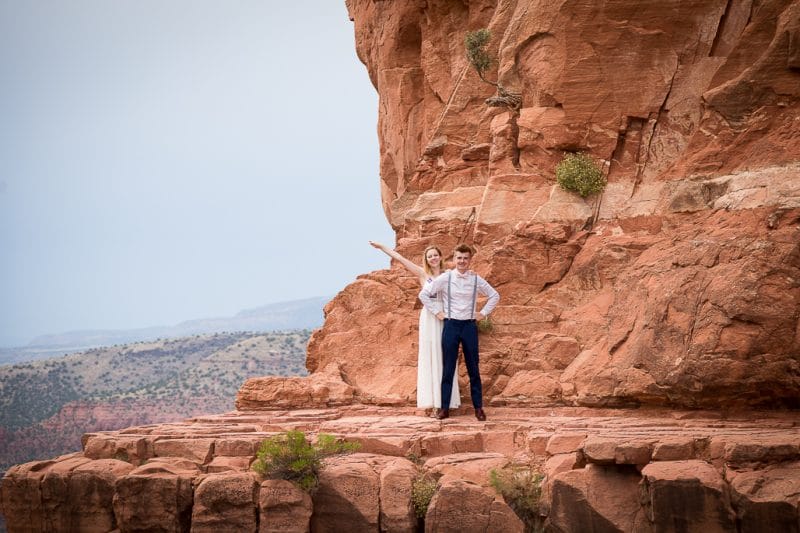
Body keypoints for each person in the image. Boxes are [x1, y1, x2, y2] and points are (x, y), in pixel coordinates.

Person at [369, 241, 461, 412]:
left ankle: (447, 401)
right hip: (429, 316)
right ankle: (434, 403)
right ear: (426, 260)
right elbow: (400, 258)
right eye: (430, 256)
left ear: (440, 257)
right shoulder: (422, 274)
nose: (433, 258)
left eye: (435, 255)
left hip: (446, 315)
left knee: (446, 355)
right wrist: (382, 247)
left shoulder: (448, 274)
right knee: (431, 355)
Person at [419, 244, 499, 421]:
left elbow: (494, 295)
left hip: (469, 326)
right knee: (448, 368)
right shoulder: (446, 278)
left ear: (470, 260)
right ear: (454, 260)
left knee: (473, 368)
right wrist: (437, 312)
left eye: (465, 258)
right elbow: (424, 295)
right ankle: (444, 408)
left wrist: (483, 313)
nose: (462, 261)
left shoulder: (476, 279)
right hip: (451, 325)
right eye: (459, 258)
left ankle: (478, 408)